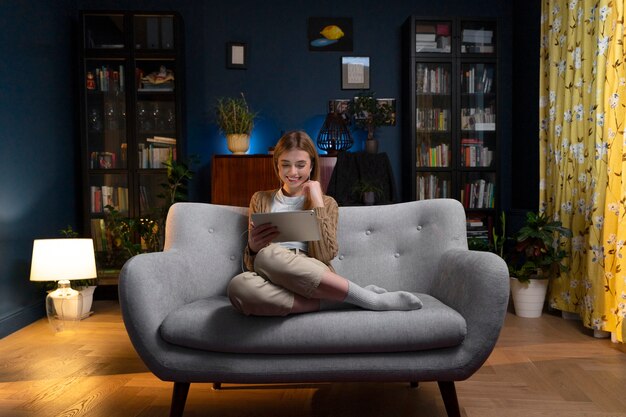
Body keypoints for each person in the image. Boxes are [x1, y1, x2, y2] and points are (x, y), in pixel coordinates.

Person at [227, 130, 422, 316]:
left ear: (311, 165)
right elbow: (252, 265)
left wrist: (318, 202)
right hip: (271, 276)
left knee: (267, 255)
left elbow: (326, 254)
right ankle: (344, 300)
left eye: (300, 165)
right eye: (285, 164)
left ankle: (372, 300)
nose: (292, 172)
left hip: (313, 273)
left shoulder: (327, 203)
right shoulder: (260, 199)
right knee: (238, 286)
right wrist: (252, 248)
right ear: (277, 165)